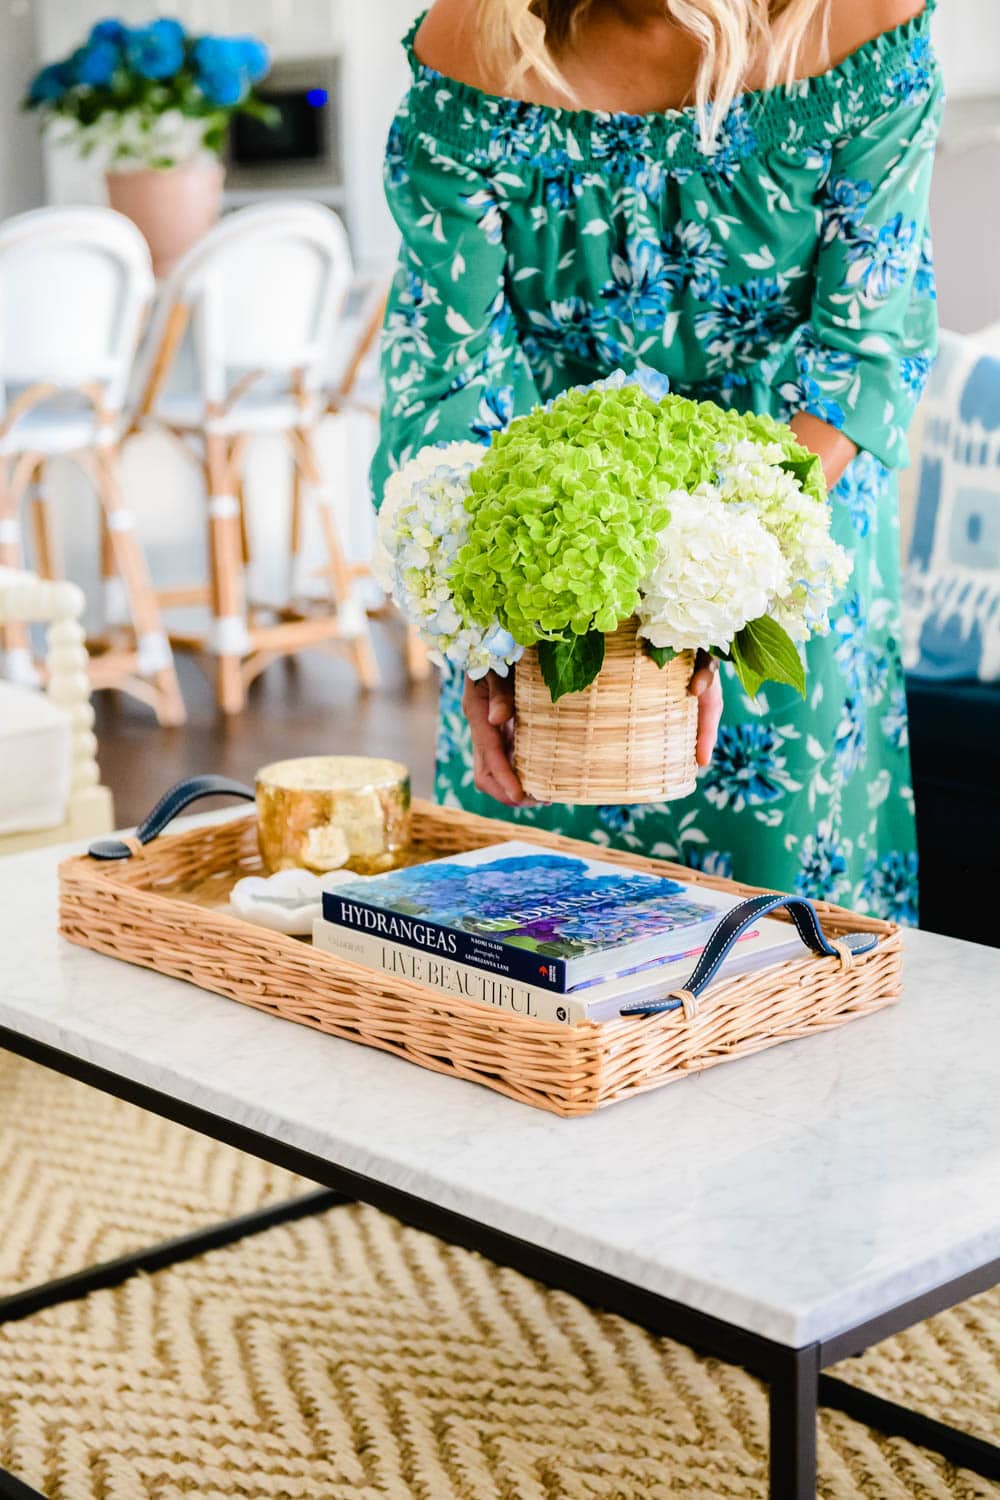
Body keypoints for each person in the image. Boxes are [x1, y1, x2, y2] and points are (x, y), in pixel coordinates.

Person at [372, 0, 941, 923]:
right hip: (541, 587)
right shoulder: (475, 37)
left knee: (775, 953)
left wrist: (707, 603)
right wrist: (478, 643)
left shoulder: (858, 20)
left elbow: (865, 358)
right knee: (524, 942)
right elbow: (444, 381)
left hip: (778, 551)